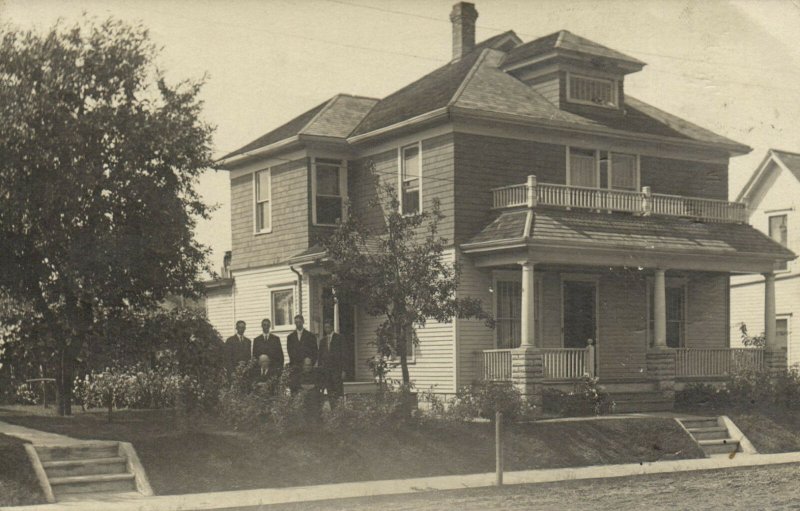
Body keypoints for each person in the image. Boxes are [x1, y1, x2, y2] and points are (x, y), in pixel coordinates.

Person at [316, 320, 345, 405]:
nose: (327, 329)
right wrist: (320, 371)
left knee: (338, 391)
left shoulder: (339, 338)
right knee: (330, 391)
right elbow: (320, 357)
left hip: (337, 370)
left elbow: (344, 355)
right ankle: (332, 409)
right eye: (325, 327)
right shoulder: (322, 341)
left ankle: (339, 410)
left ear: (332, 327)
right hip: (326, 371)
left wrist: (344, 370)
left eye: (328, 327)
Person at [286, 315, 317, 394]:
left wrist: (309, 364)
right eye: (296, 322)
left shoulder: (310, 336)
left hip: (307, 369)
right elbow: (290, 352)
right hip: (295, 367)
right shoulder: (290, 337)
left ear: (303, 322)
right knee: (295, 390)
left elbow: (315, 351)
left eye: (299, 322)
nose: (298, 324)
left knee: (307, 392)